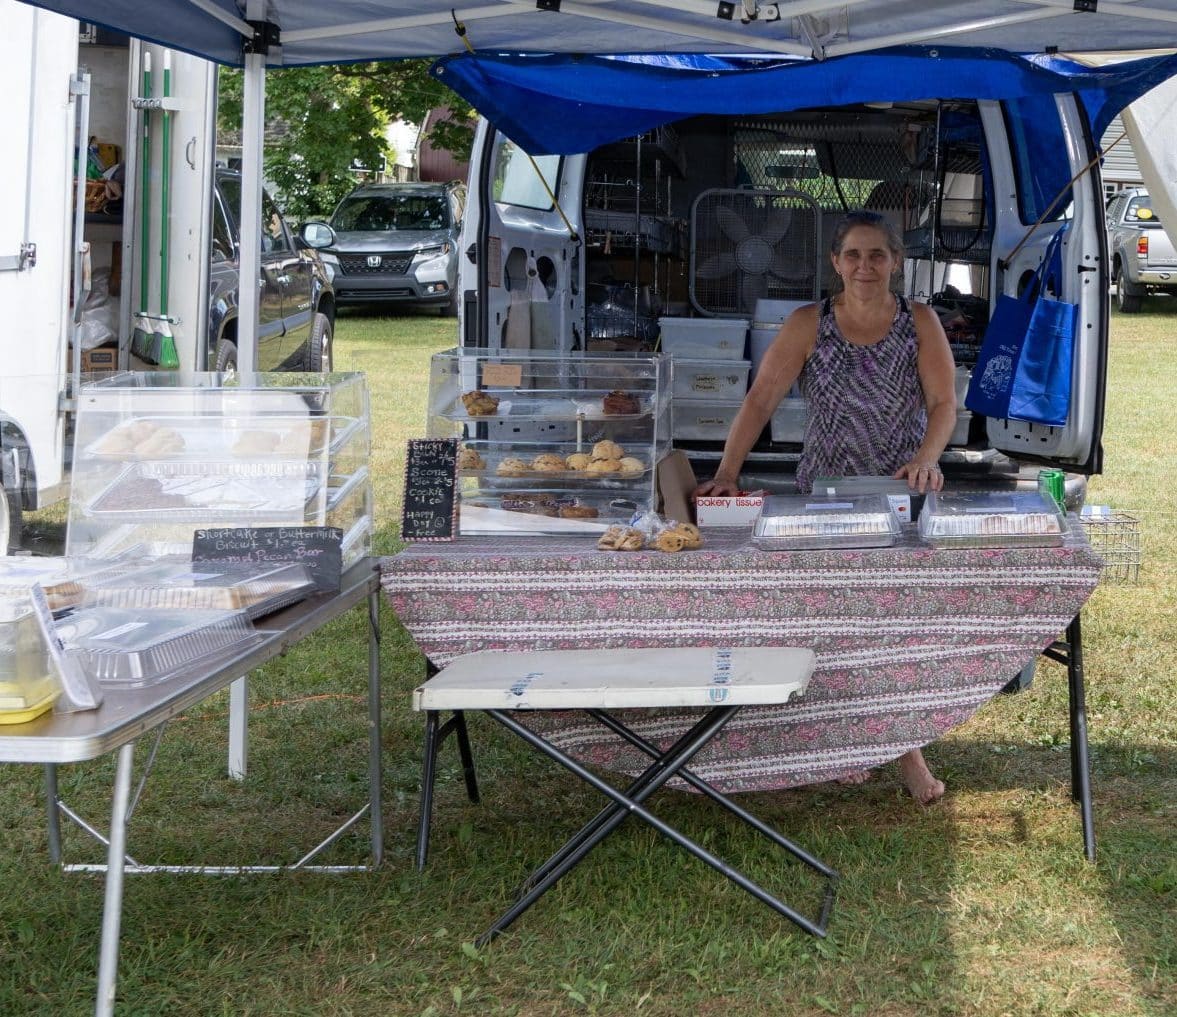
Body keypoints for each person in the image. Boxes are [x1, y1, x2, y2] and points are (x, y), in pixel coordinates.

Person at [694, 209, 958, 804]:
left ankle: (897, 748)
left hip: (898, 497)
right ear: (836, 262)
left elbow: (944, 403)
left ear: (896, 262)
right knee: (833, 625)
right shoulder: (808, 322)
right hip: (825, 498)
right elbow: (760, 400)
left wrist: (927, 458)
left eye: (878, 255)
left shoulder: (919, 321)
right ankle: (861, 745)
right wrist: (727, 473)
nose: (865, 266)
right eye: (853, 255)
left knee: (890, 627)